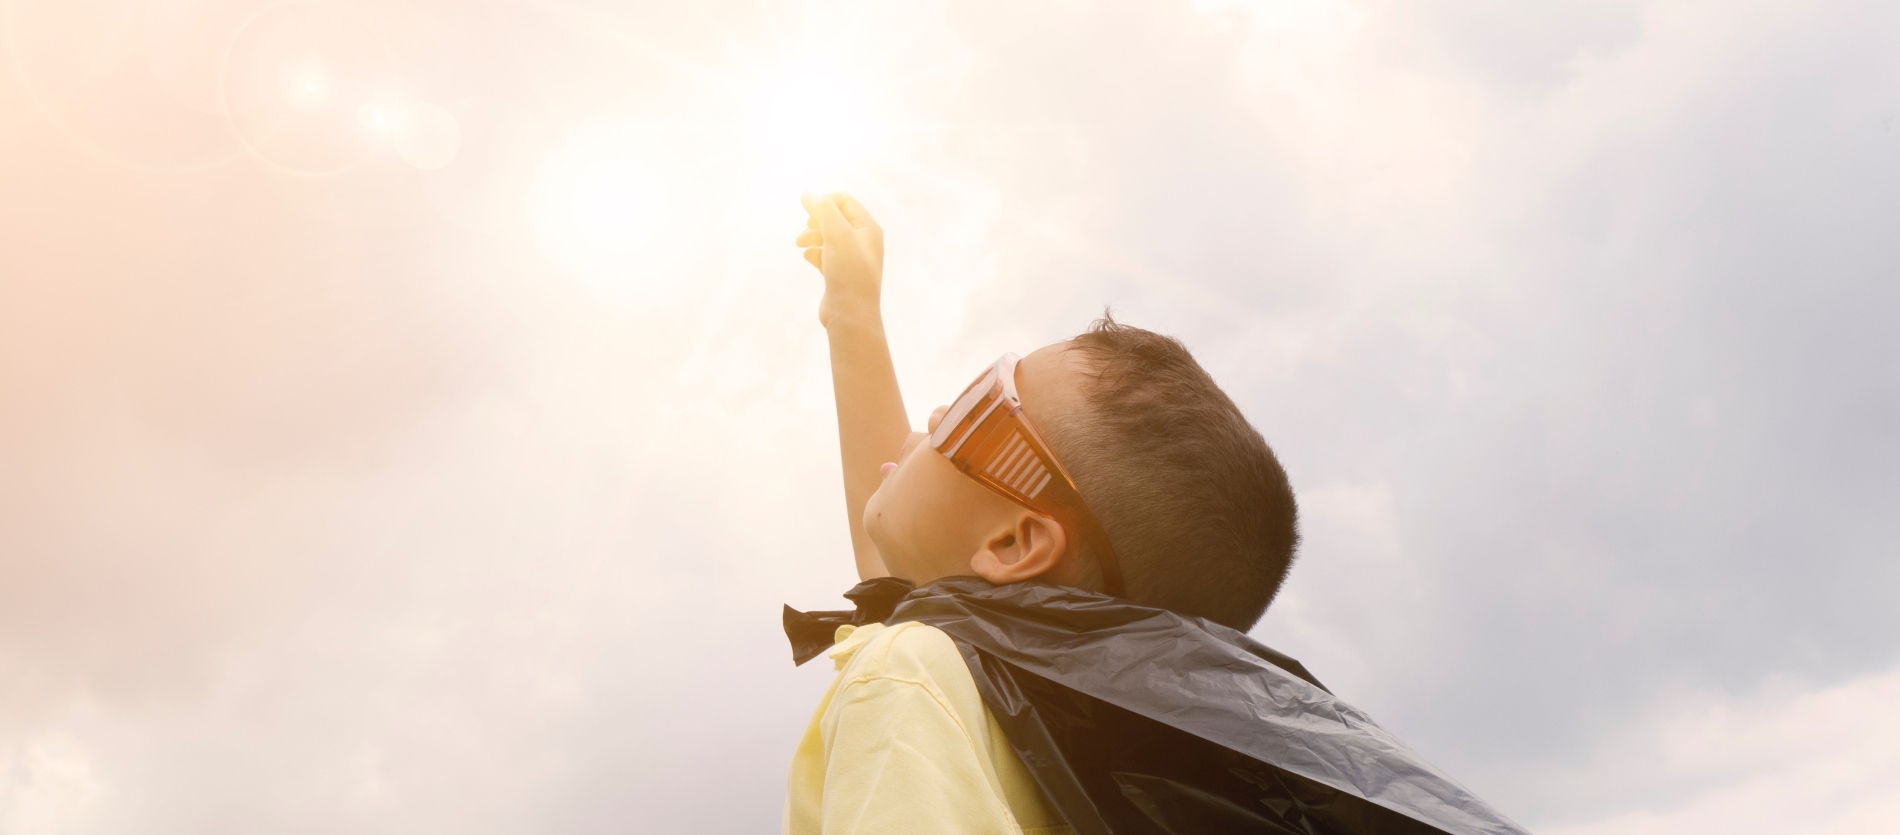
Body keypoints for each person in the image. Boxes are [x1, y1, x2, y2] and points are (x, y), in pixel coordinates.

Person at [782, 193, 1523, 835]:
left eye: (977, 409)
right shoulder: (1064, 724)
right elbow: (905, 566)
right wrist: (852, 310)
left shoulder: (910, 677)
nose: (940, 409)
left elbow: (911, 601)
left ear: (1014, 542)